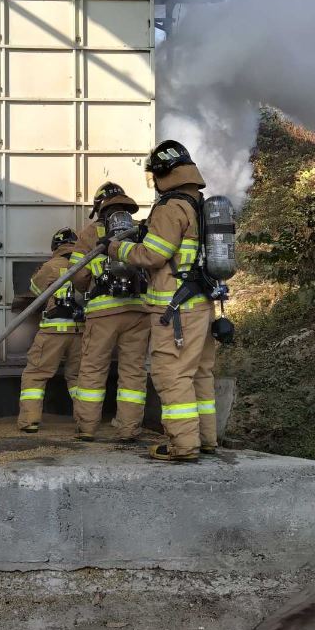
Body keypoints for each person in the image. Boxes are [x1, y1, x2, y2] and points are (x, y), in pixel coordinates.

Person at [108, 141, 216, 462]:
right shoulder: (198, 203)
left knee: (172, 374)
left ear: (163, 174)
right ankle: (205, 439)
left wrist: (117, 249)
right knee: (199, 374)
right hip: (200, 304)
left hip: (175, 309)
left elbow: (153, 255)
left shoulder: (171, 208)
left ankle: (183, 445)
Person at [70, 183, 150, 441]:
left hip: (103, 312)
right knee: (133, 371)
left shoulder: (90, 233)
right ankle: (129, 429)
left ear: (100, 207)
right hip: (138, 310)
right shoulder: (139, 229)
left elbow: (78, 276)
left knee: (93, 368)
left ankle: (87, 428)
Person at [18, 228, 84, 433]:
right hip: (81, 331)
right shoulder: (86, 262)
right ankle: (85, 421)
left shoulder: (51, 266)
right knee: (79, 378)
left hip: (53, 330)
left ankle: (29, 421)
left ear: (55, 246)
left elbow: (36, 291)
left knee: (35, 374)